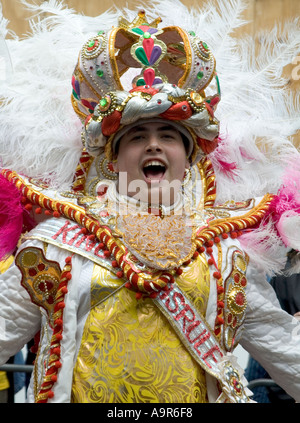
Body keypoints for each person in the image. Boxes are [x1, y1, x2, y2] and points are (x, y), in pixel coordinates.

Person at [0, 1, 300, 403]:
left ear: (189, 157)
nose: (154, 144)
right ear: (114, 158)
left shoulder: (224, 251)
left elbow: (285, 353)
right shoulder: (57, 243)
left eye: (168, 135)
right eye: (138, 136)